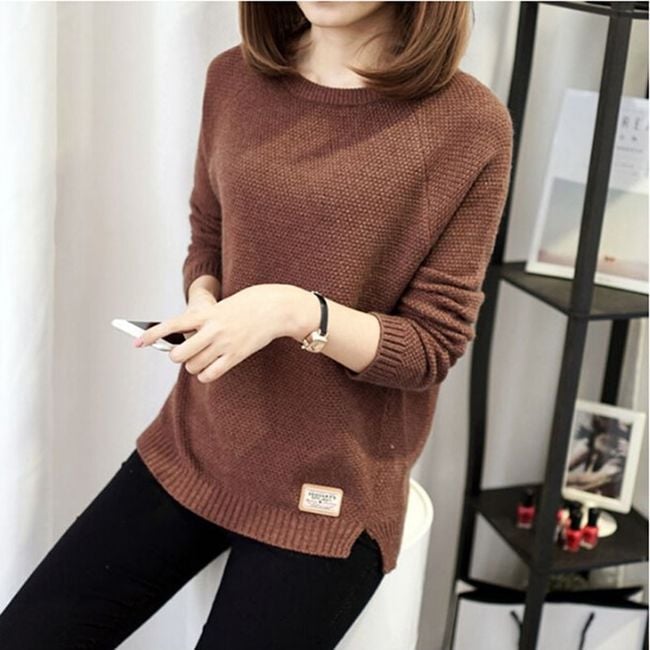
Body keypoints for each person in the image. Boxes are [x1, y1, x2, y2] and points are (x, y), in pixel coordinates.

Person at [0, 2, 513, 648]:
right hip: (197, 443)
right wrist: (206, 298)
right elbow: (209, 235)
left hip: (332, 488)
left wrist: (296, 312)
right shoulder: (233, 78)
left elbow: (431, 347)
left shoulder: (468, 124)